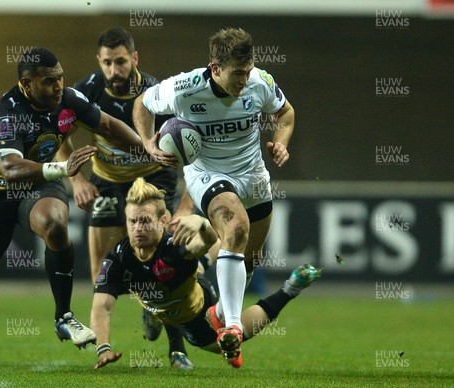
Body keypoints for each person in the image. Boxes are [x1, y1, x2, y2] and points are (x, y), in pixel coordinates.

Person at [0, 47, 143, 372]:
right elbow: (10, 169)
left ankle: (64, 316)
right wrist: (62, 170)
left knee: (56, 224)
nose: (59, 85)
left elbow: (107, 125)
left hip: (38, 186)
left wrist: (145, 147)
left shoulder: (68, 100)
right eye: (49, 81)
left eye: (60, 77)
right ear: (27, 84)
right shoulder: (8, 110)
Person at [132, 27, 295, 365]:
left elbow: (286, 113)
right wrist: (148, 143)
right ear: (216, 68)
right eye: (238, 73)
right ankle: (232, 326)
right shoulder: (183, 89)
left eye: (247, 71)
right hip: (208, 175)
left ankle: (221, 312)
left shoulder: (259, 82)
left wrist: (281, 142)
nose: (244, 79)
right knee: (235, 227)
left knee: (251, 258)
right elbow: (142, 104)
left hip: (253, 176)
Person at [61, 26, 192, 369]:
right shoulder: (86, 92)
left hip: (152, 178)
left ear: (134, 58)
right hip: (107, 182)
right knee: (101, 271)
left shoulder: (157, 94)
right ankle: (135, 319)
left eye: (120, 62)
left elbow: (182, 139)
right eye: (107, 63)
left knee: (166, 263)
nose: (114, 71)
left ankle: (178, 349)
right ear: (99, 61)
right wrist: (76, 181)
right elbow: (59, 134)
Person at [90, 178, 320, 369]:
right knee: (170, 278)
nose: (138, 227)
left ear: (163, 221)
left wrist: (202, 223)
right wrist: (103, 349)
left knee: (224, 339)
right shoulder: (118, 256)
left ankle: (290, 288)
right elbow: (102, 306)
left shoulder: (175, 247)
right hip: (172, 291)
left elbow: (206, 240)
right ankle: (156, 314)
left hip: (197, 314)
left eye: (145, 220)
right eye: (133, 221)